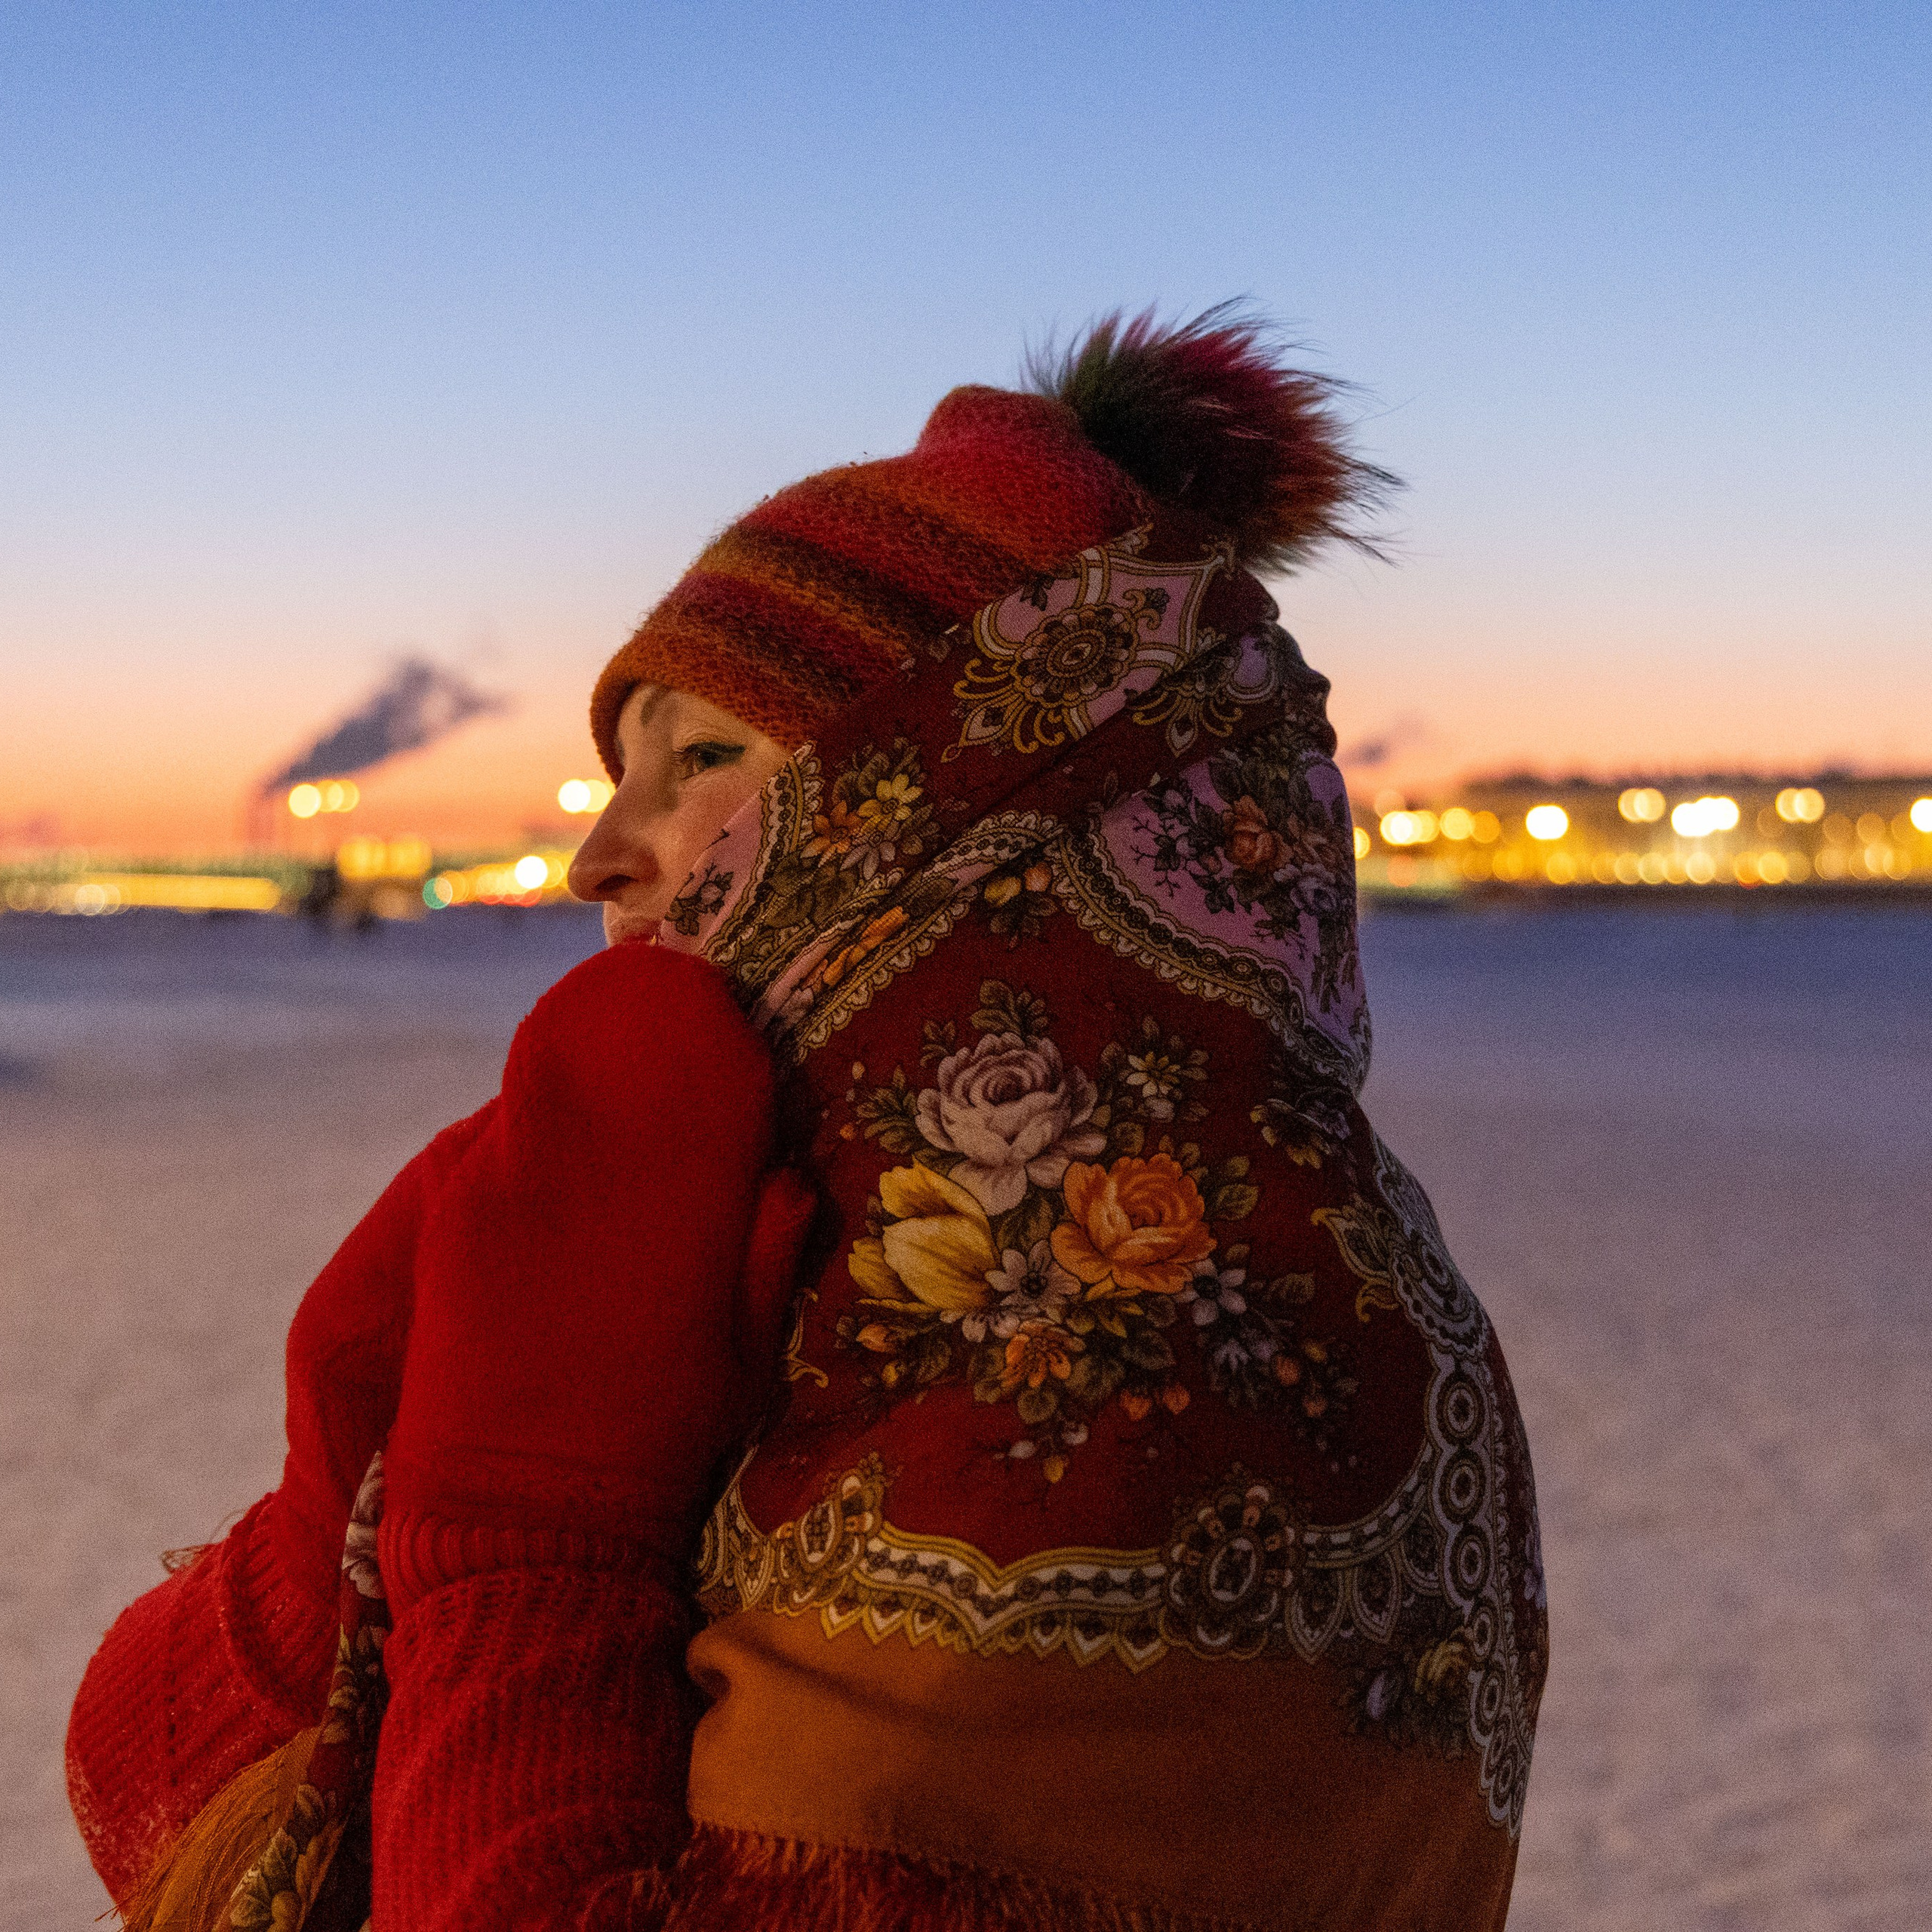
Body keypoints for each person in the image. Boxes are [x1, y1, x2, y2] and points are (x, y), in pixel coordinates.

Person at [68, 308, 1548, 1930]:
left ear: (961, 793)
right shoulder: (770, 1213)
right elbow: (144, 1784)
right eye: (613, 776)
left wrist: (519, 1532)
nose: (599, 857)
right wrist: (334, 1504)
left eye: (700, 756)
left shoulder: (1152, 1344)